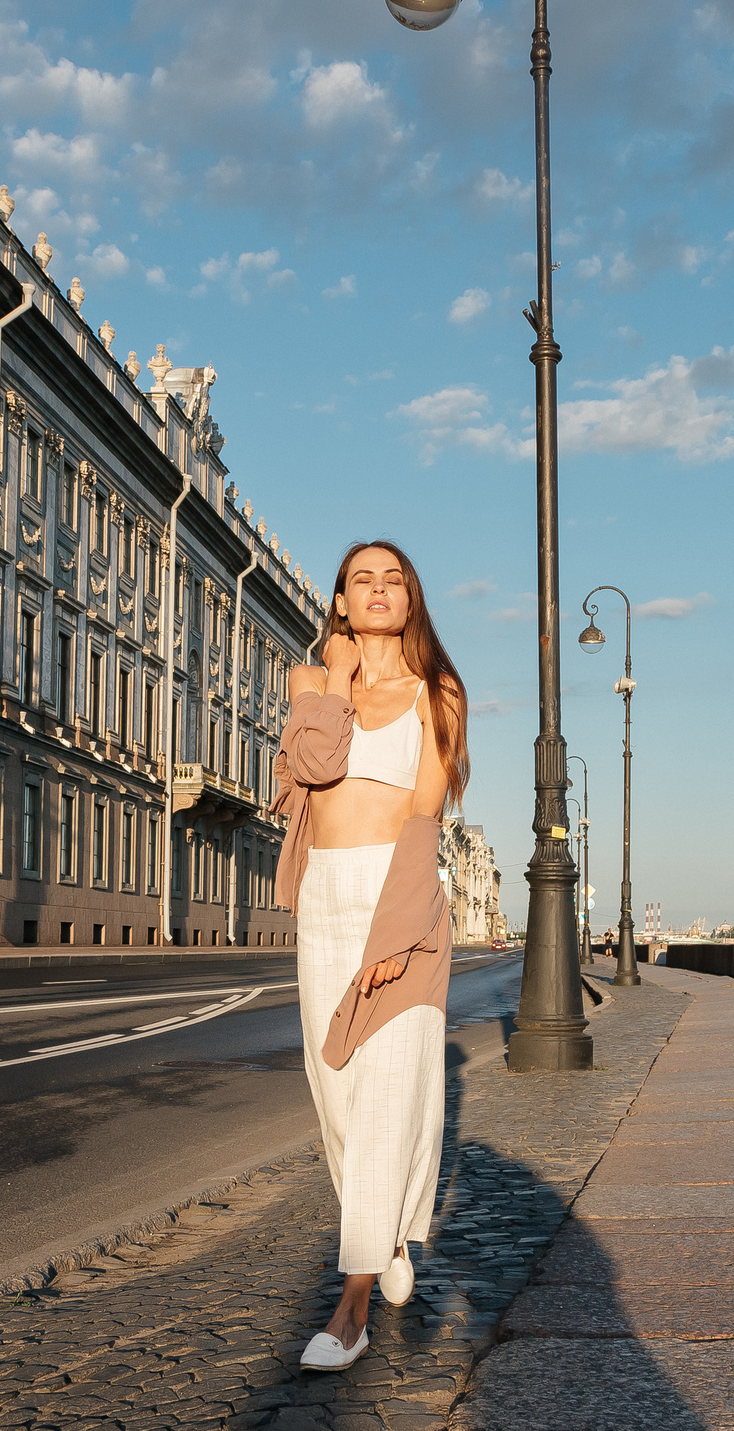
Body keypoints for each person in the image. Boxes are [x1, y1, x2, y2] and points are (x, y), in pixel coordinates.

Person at [270, 540, 469, 1371]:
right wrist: (338, 676)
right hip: (326, 903)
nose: (379, 590)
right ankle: (384, 1233)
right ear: (343, 603)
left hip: (401, 901)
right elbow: (313, 765)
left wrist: (397, 933)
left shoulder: (439, 693)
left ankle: (350, 1305)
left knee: (389, 1098)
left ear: (411, 598)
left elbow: (423, 821)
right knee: (340, 1096)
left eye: (394, 579)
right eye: (363, 581)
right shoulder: (310, 680)